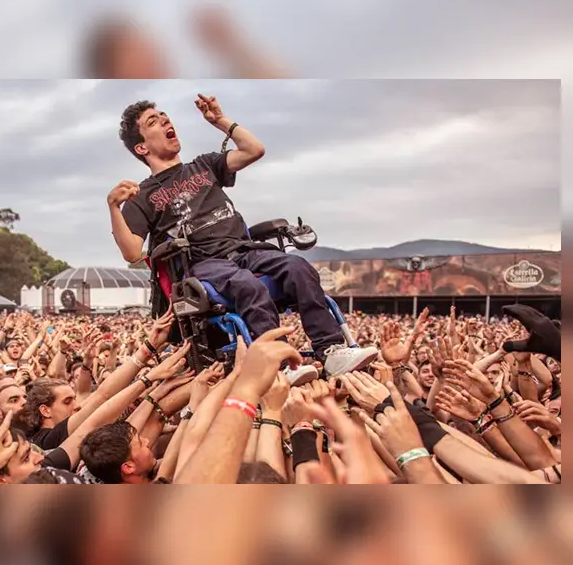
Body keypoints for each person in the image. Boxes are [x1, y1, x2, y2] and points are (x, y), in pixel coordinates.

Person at [107, 95, 378, 381]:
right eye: (153, 121)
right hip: (203, 263)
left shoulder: (204, 165)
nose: (164, 119)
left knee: (298, 267)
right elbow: (131, 251)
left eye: (163, 115)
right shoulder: (144, 195)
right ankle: (279, 364)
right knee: (247, 285)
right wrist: (114, 207)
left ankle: (331, 350)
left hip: (243, 249)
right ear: (142, 147)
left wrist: (220, 121)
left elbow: (254, 149)